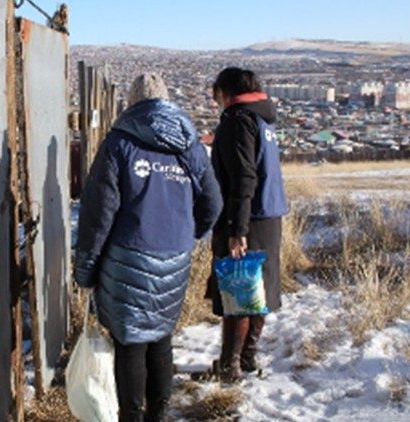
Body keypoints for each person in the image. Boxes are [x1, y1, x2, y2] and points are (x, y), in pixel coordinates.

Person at [74, 73, 223, 421]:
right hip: (175, 256)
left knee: (130, 340)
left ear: (131, 103)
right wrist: (186, 235)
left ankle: (132, 415)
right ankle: (159, 413)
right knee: (161, 335)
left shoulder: (119, 143)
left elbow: (98, 213)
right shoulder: (190, 146)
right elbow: (213, 204)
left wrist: (86, 268)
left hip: (127, 256)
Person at [206, 67, 288, 382]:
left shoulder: (238, 122)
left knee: (238, 292)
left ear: (225, 93)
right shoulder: (262, 120)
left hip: (247, 218)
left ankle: (230, 365)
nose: (216, 103)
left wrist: (236, 230)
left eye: (217, 96)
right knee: (259, 290)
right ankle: (248, 356)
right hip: (268, 217)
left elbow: (243, 178)